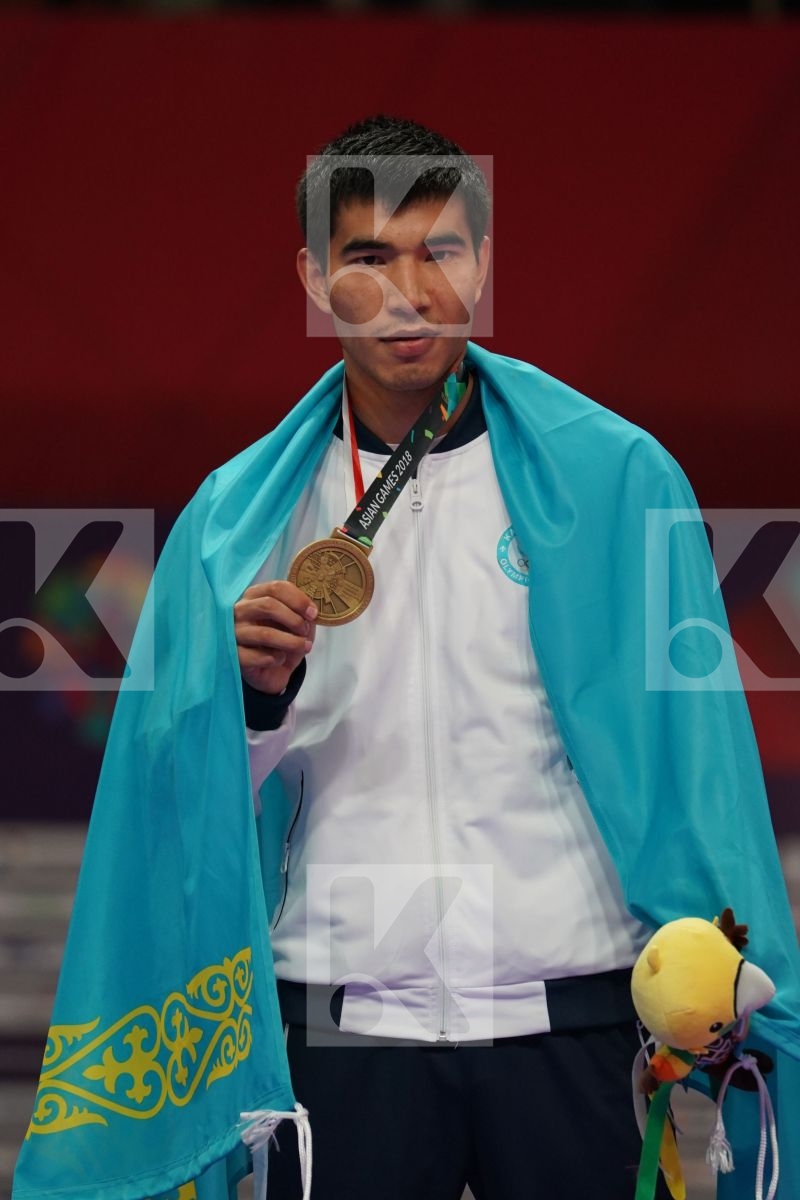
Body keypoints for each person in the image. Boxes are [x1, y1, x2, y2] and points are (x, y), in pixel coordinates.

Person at [13, 116, 800, 1200]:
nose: (407, 291)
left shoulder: (617, 479)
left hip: (568, 1011)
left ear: (482, 264)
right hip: (345, 1021)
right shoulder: (241, 519)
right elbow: (179, 811)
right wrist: (247, 702)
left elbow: (696, 765)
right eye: (368, 257)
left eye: (440, 251)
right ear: (311, 275)